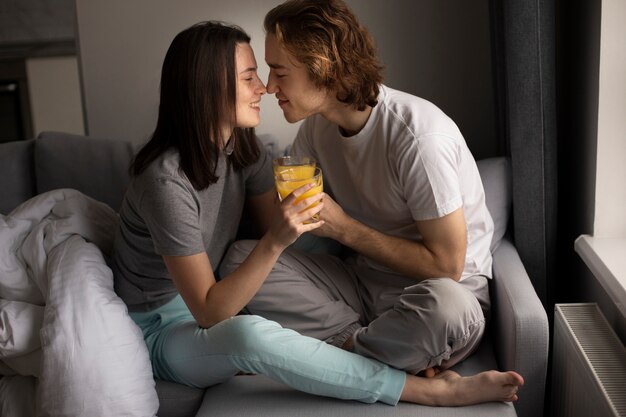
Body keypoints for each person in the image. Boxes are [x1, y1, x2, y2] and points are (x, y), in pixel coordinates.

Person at [112, 19, 522, 408]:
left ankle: (348, 352)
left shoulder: (244, 151)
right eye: (250, 76)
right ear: (206, 89)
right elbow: (210, 311)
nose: (265, 88)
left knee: (246, 255)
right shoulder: (166, 182)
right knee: (247, 333)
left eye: (270, 72)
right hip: (165, 327)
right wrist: (280, 238)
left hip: (408, 294)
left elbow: (279, 229)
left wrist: (317, 227)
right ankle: (425, 390)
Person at [221, 0, 524, 394]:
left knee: (447, 307)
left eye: (279, 72)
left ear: (323, 66)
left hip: (435, 298)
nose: (269, 86)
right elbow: (293, 214)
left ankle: (344, 359)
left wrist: (344, 229)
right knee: (240, 259)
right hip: (362, 289)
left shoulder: (417, 137)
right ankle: (374, 353)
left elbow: (447, 266)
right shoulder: (317, 130)